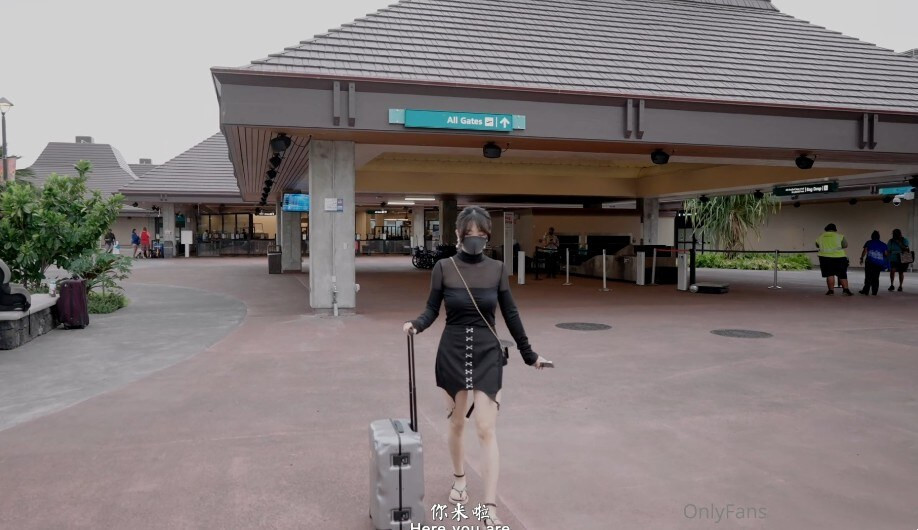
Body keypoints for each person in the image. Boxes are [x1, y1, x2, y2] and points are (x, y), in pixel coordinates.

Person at [403, 206, 551, 527]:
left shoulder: (497, 269)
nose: (475, 239)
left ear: (487, 237)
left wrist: (529, 354)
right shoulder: (443, 267)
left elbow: (511, 314)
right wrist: (417, 324)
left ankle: (490, 508)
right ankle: (459, 479)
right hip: (452, 350)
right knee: (457, 423)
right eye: (469, 233)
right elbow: (432, 309)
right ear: (458, 234)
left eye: (481, 234)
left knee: (485, 427)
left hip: (488, 352)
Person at [816, 223, 853, 296]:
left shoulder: (821, 236)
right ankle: (845, 290)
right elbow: (845, 245)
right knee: (842, 274)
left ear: (826, 229)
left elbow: (817, 245)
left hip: (825, 258)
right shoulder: (840, 236)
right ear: (835, 229)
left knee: (829, 274)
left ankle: (831, 291)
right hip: (839, 257)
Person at [858, 231, 887, 296]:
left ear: (872, 236)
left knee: (868, 276)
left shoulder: (868, 242)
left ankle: (866, 291)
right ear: (879, 237)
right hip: (878, 263)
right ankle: (874, 292)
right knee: (876, 277)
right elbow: (886, 254)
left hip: (869, 262)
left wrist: (861, 258)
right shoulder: (883, 244)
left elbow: (865, 251)